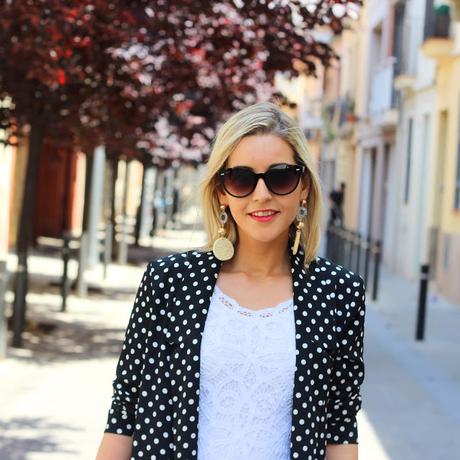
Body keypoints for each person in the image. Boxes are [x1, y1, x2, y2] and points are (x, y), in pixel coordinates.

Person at [96, 102, 366, 460]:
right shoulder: (170, 282)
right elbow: (126, 408)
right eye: (241, 178)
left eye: (281, 176)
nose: (262, 195)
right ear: (222, 191)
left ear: (303, 187)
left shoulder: (339, 294)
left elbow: (339, 424)